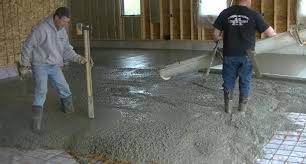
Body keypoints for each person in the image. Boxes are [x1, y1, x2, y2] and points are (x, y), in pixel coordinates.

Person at [20, 7, 87, 131]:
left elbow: (67, 50)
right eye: (64, 21)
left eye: (67, 22)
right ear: (56, 18)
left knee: (64, 87)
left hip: (54, 65)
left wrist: (79, 58)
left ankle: (68, 111)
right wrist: (24, 64)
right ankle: (36, 123)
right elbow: (28, 46)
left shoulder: (62, 31)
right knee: (41, 90)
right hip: (40, 65)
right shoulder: (41, 29)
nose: (65, 25)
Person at [213, 0, 276, 114]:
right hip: (247, 55)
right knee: (245, 81)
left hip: (229, 54)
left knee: (228, 81)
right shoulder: (254, 14)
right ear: (248, 1)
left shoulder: (225, 12)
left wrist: (221, 37)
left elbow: (215, 36)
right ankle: (242, 110)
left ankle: (228, 109)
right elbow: (272, 34)